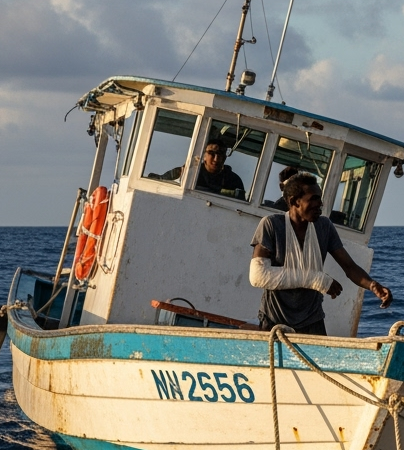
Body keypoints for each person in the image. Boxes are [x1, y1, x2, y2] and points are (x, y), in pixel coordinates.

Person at [249, 174, 391, 335]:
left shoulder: (324, 226)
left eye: (320, 199)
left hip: (312, 319)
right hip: (274, 320)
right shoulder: (271, 225)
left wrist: (373, 286)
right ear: (295, 201)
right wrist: (317, 279)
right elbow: (258, 275)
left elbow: (349, 267)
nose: (320, 204)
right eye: (314, 199)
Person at [156, 140, 246, 198]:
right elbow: (159, 184)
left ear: (225, 158)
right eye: (212, 153)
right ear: (204, 155)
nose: (216, 158)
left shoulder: (234, 180)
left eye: (220, 154)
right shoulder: (187, 172)